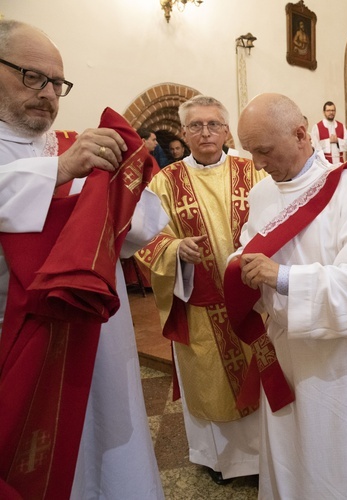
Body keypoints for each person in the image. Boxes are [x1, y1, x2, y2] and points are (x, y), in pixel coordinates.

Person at [0, 20, 165, 499]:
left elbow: (136, 232)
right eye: (33, 77)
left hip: (96, 340)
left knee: (104, 448)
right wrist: (61, 171)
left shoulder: (71, 146)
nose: (49, 93)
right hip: (17, 338)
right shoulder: (66, 157)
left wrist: (126, 184)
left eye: (57, 83)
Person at [229, 92, 347, 499]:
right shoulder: (262, 194)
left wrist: (286, 277)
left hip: (338, 363)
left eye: (264, 150)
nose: (257, 163)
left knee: (336, 461)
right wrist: (240, 263)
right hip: (284, 349)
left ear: (299, 134)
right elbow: (249, 247)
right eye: (250, 152)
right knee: (290, 454)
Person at [136, 95, 265, 485]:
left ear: (226, 131)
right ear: (184, 133)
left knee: (259, 377)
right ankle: (219, 459)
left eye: (213, 124)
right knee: (208, 382)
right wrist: (175, 249)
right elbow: (144, 237)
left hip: (252, 302)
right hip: (200, 304)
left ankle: (264, 457)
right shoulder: (164, 181)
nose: (205, 132)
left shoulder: (254, 170)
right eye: (196, 125)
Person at [309, 101, 347, 166]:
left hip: (339, 163)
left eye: (333, 110)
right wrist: (328, 141)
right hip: (324, 163)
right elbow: (313, 145)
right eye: (328, 110)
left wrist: (338, 141)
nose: (331, 112)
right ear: (324, 112)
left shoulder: (341, 126)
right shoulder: (317, 127)